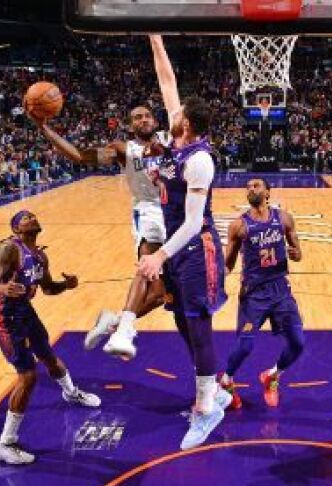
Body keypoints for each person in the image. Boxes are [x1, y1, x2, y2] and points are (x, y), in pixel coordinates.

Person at [135, 34, 231, 450]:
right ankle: (214, 391)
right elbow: (167, 80)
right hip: (176, 248)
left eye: (177, 114)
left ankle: (207, 409)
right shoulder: (177, 140)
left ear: (186, 124)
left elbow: (193, 222)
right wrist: (155, 39)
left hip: (196, 248)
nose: (170, 112)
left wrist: (159, 255)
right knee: (180, 321)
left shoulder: (200, 160)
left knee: (199, 325)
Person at [28, 105, 169, 359]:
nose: (143, 120)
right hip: (149, 213)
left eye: (147, 116)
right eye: (137, 117)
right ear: (131, 125)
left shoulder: (170, 141)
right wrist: (44, 128)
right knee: (148, 270)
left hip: (175, 214)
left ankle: (112, 322)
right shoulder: (123, 149)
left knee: (161, 295)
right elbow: (80, 156)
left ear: (155, 121)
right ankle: (122, 330)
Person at [0, 210, 100, 465]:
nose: (32, 218)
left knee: (48, 356)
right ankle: (5, 444)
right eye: (25, 218)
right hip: (3, 317)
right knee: (28, 375)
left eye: (33, 216)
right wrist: (3, 288)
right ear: (16, 229)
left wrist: (66, 285)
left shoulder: (40, 256)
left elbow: (48, 289)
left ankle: (71, 393)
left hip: (25, 312)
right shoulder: (10, 250)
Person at [219, 178, 304, 409]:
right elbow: (228, 264)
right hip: (253, 294)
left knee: (298, 343)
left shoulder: (284, 218)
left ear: (268, 192)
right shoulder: (239, 226)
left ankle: (273, 376)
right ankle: (226, 381)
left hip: (280, 290)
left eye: (256, 186)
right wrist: (214, 279)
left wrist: (295, 253)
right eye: (247, 187)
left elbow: (298, 254)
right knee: (245, 346)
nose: (250, 189)